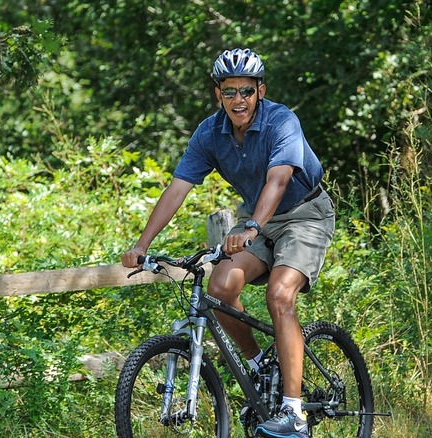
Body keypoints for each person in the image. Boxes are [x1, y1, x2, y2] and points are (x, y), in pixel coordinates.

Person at [121, 48, 334, 438]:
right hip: (258, 221)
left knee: (280, 295)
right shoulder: (209, 132)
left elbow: (279, 180)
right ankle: (259, 367)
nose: (239, 100)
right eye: (230, 91)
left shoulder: (281, 121)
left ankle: (294, 413)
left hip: (305, 215)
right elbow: (177, 189)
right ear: (218, 93)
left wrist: (251, 226)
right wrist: (142, 245)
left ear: (261, 91)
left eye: (247, 91)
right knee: (220, 287)